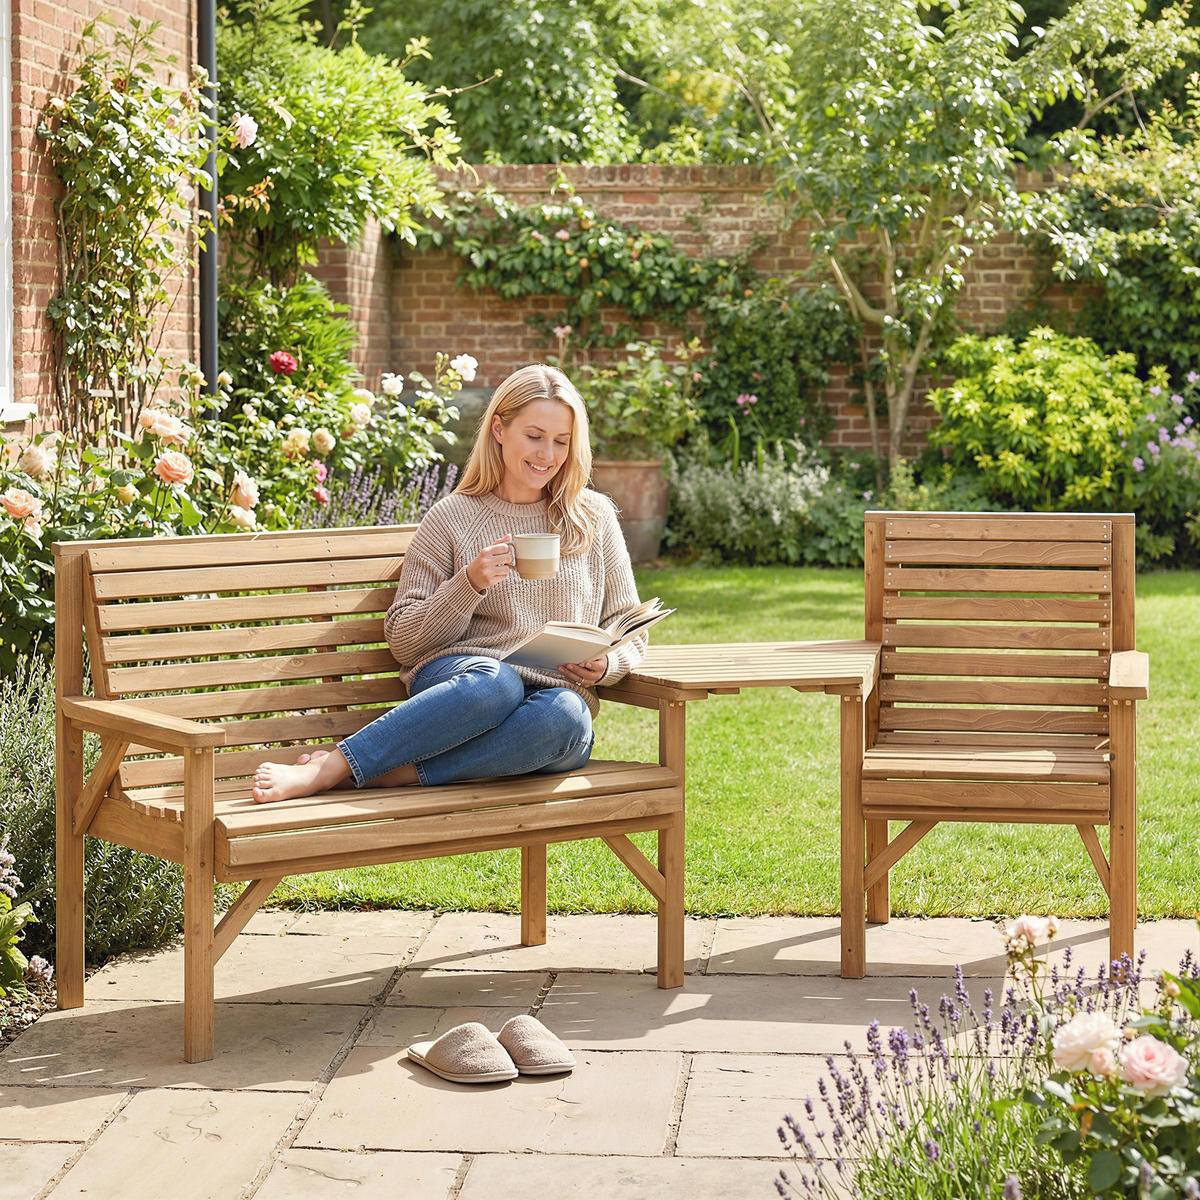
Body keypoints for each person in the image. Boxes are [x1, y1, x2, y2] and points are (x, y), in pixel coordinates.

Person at [251, 363, 649, 804]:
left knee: (570, 717)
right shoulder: (452, 517)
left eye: (561, 441)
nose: (547, 455)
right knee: (498, 684)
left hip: (548, 706)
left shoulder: (592, 516)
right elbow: (404, 640)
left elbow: (628, 623)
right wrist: (469, 583)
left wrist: (608, 666)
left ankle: (397, 774)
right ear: (499, 429)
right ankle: (334, 768)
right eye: (534, 436)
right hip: (467, 684)